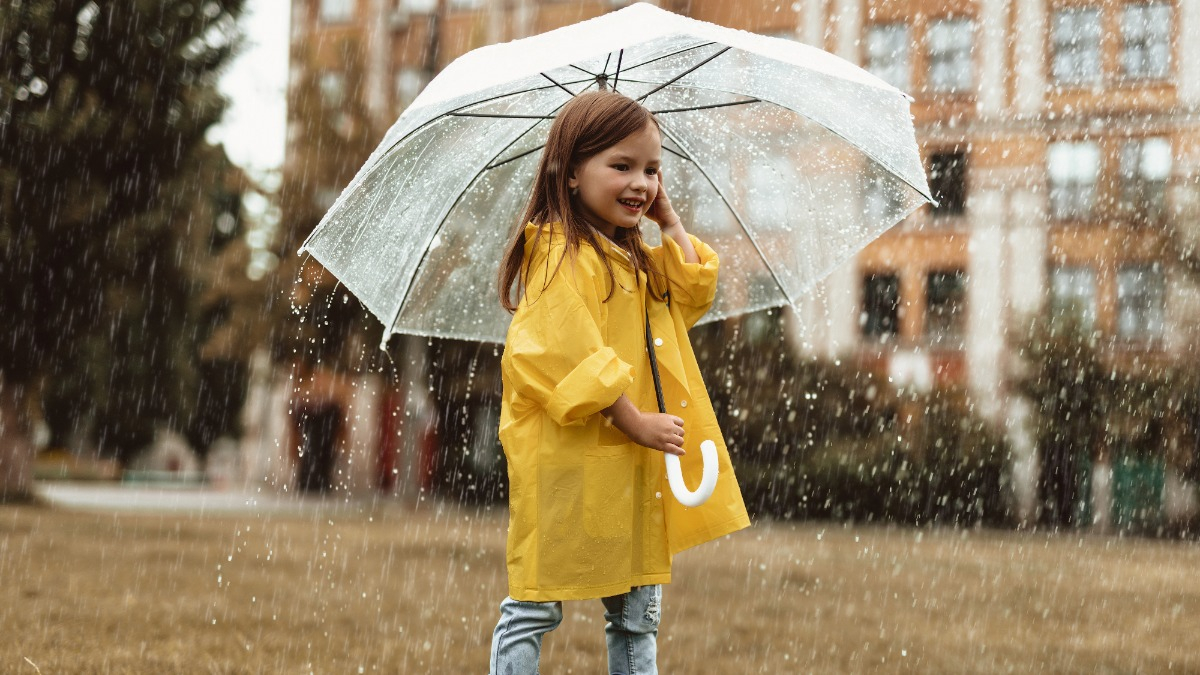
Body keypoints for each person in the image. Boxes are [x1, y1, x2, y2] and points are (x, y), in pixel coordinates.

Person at [490, 90, 750, 675]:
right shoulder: (557, 256)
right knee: (535, 603)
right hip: (566, 460)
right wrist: (634, 420)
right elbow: (561, 353)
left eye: (652, 169)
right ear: (572, 173)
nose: (642, 183)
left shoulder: (631, 258)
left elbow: (689, 294)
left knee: (637, 610)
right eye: (622, 166)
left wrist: (671, 222)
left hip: (632, 463)